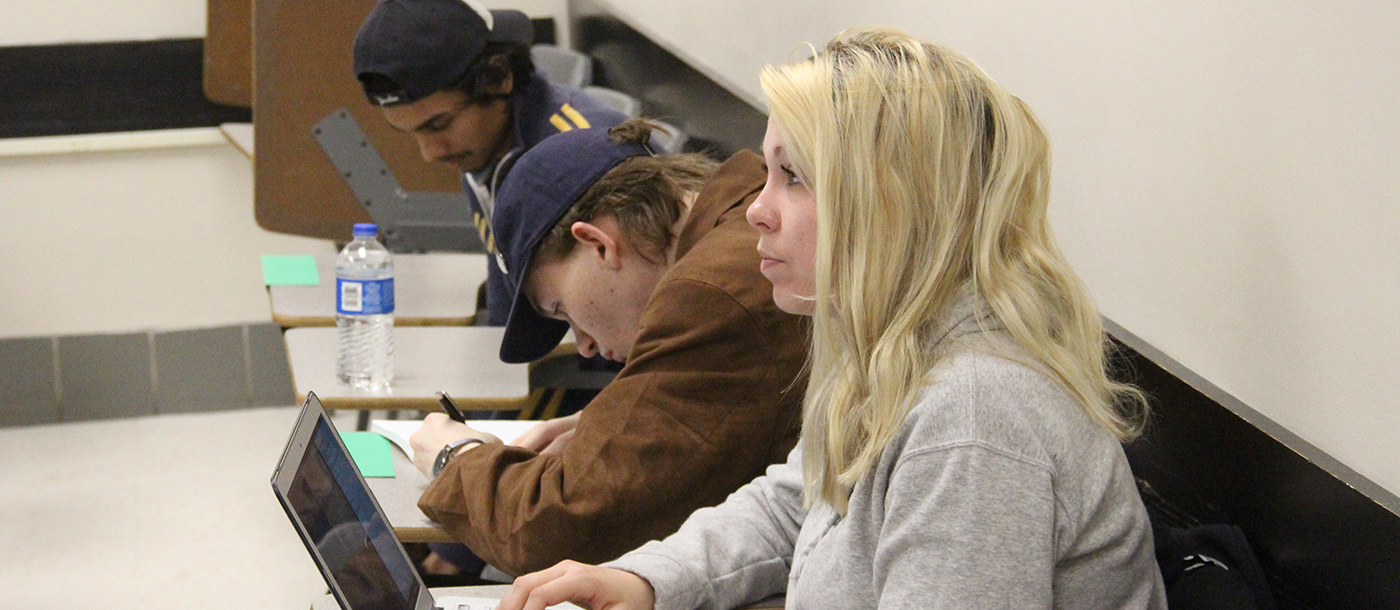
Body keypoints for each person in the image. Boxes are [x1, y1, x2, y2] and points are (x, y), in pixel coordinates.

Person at [498, 27, 1168, 610]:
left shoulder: (971, 416)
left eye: (795, 178)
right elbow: (797, 502)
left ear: (889, 203)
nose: (758, 210)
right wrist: (647, 580)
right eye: (766, 173)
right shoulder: (893, 345)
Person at [405, 119, 810, 576]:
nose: (586, 346)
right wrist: (611, 418)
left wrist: (456, 458)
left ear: (597, 244)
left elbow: (553, 528)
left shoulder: (710, 294)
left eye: (563, 311)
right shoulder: (741, 213)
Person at [353, 0, 630, 325]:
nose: (431, 153)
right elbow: (507, 307)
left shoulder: (589, 160)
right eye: (409, 133)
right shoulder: (487, 151)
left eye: (439, 124)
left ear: (498, 77)